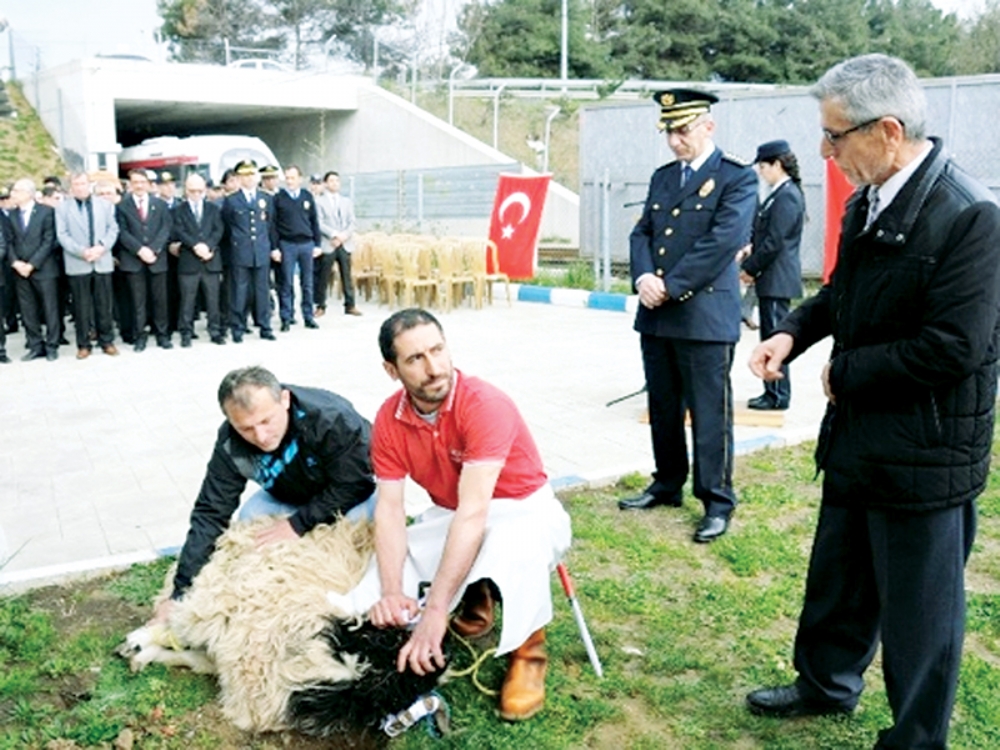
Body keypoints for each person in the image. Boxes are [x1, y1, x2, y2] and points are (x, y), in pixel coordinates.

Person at [745, 54, 1000, 750]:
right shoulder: (872, 196)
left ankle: (917, 737)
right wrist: (791, 334)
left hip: (926, 449)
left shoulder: (971, 215)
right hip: (861, 435)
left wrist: (846, 373)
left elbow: (953, 347)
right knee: (841, 575)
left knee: (922, 614)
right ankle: (825, 683)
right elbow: (840, 294)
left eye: (835, 136)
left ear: (887, 131)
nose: (825, 152)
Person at [355, 308, 572, 721]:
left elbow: (476, 514)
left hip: (525, 507)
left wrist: (435, 613)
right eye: (415, 359)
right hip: (454, 510)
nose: (434, 367)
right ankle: (475, 594)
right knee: (388, 567)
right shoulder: (388, 417)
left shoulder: (484, 404)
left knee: (512, 544)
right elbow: (390, 508)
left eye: (437, 350)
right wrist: (389, 590)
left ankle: (529, 650)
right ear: (391, 369)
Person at [618, 88, 757, 544]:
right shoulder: (663, 177)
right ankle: (667, 482)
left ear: (708, 127)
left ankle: (717, 499)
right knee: (663, 405)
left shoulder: (737, 177)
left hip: (703, 317)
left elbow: (721, 241)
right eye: (669, 133)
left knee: (709, 413)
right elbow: (643, 231)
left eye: (683, 131)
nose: (676, 141)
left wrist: (669, 286)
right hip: (656, 315)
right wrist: (642, 278)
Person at [151, 365, 376, 622]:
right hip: (288, 494)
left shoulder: (331, 418)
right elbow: (211, 510)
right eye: (246, 428)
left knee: (372, 521)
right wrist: (179, 593)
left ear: (285, 399)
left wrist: (297, 524)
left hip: (348, 494)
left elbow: (356, 484)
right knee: (249, 516)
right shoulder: (230, 442)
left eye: (266, 421)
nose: (260, 436)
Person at [740, 140, 805, 410]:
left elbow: (774, 242)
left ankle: (777, 394)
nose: (760, 172)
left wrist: (749, 268)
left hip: (777, 280)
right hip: (771, 278)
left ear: (777, 165)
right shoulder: (779, 193)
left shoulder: (787, 195)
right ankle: (772, 391)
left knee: (775, 338)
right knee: (769, 336)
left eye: (763, 166)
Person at [55, 172, 120, 359]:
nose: (80, 187)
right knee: (81, 306)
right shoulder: (62, 208)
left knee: (104, 304)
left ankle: (106, 341)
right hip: (78, 261)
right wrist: (82, 251)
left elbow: (113, 229)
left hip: (101, 260)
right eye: (76, 184)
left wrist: (101, 247)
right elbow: (62, 234)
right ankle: (83, 344)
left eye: (83, 183)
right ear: (71, 187)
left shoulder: (105, 205)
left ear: (89, 185)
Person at [221, 159, 279, 343]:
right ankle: (238, 327)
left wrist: (273, 248)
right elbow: (227, 227)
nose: (250, 178)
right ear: (239, 178)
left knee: (262, 291)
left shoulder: (266, 198)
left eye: (252, 174)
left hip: (261, 251)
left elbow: (270, 226)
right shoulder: (231, 200)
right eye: (245, 175)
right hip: (240, 252)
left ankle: (265, 326)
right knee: (239, 291)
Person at [115, 169, 173, 351]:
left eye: (142, 182)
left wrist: (154, 249)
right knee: (137, 301)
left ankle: (162, 335)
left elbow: (166, 228)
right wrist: (139, 250)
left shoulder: (160, 204)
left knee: (160, 300)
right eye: (135, 182)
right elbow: (122, 232)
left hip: (157, 259)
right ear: (130, 184)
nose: (139, 185)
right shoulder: (122, 206)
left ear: (149, 184)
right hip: (134, 259)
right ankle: (139, 336)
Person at [8, 178, 62, 361]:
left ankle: (52, 345)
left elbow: (49, 241)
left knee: (50, 308)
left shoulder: (46, 212)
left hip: (44, 268)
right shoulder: (12, 215)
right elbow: (8, 242)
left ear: (28, 193)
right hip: (20, 270)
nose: (12, 195)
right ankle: (35, 345)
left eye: (15, 191)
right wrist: (16, 262)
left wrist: (32, 264)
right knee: (27, 310)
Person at [172, 173, 226, 346]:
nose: (196, 195)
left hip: (210, 260)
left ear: (205, 190)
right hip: (189, 261)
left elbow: (218, 230)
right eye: (192, 191)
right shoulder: (178, 210)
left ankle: (215, 331)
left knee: (213, 300)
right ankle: (186, 333)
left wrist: (208, 247)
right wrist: (196, 245)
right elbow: (179, 231)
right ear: (186, 190)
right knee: (187, 300)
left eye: (199, 191)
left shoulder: (213, 209)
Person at [273, 165, 321, 331]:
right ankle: (286, 317)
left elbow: (314, 221)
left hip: (306, 244)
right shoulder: (279, 198)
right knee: (286, 283)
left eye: (293, 178)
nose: (290, 181)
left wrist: (317, 244)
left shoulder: (307, 196)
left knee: (307, 283)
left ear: (300, 179)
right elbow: (273, 225)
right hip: (287, 244)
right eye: (287, 178)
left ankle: (308, 316)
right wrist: (275, 248)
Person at [315, 170, 361, 317]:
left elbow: (352, 222)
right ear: (325, 183)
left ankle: (350, 305)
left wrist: (343, 236)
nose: (335, 183)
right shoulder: (319, 201)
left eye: (337, 181)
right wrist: (334, 235)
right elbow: (319, 222)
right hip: (329, 243)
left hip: (344, 243)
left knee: (346, 275)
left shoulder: (346, 201)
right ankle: (320, 305)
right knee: (324, 276)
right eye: (331, 181)